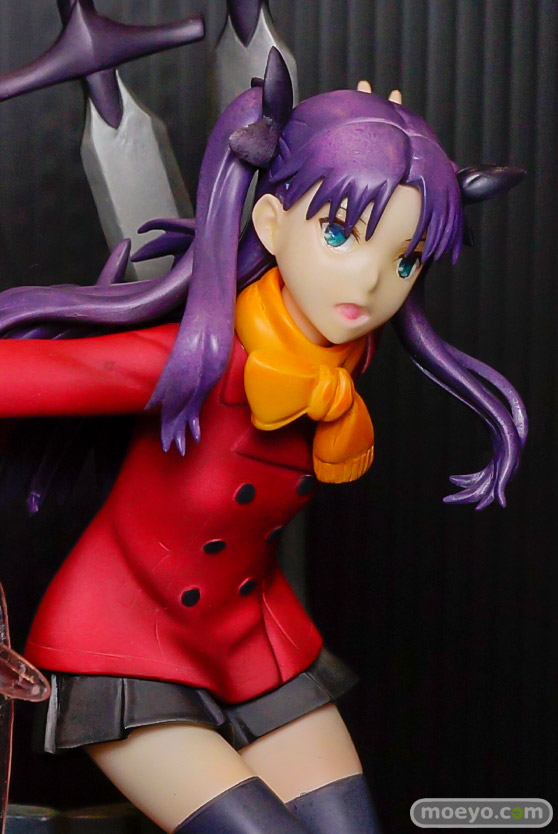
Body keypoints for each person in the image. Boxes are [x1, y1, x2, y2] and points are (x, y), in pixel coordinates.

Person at [0, 52, 525, 834]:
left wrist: (368, 136)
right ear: (272, 222)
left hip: (249, 637)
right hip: (124, 639)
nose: (371, 283)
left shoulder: (344, 355)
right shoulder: (197, 359)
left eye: (404, 258)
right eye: (341, 232)